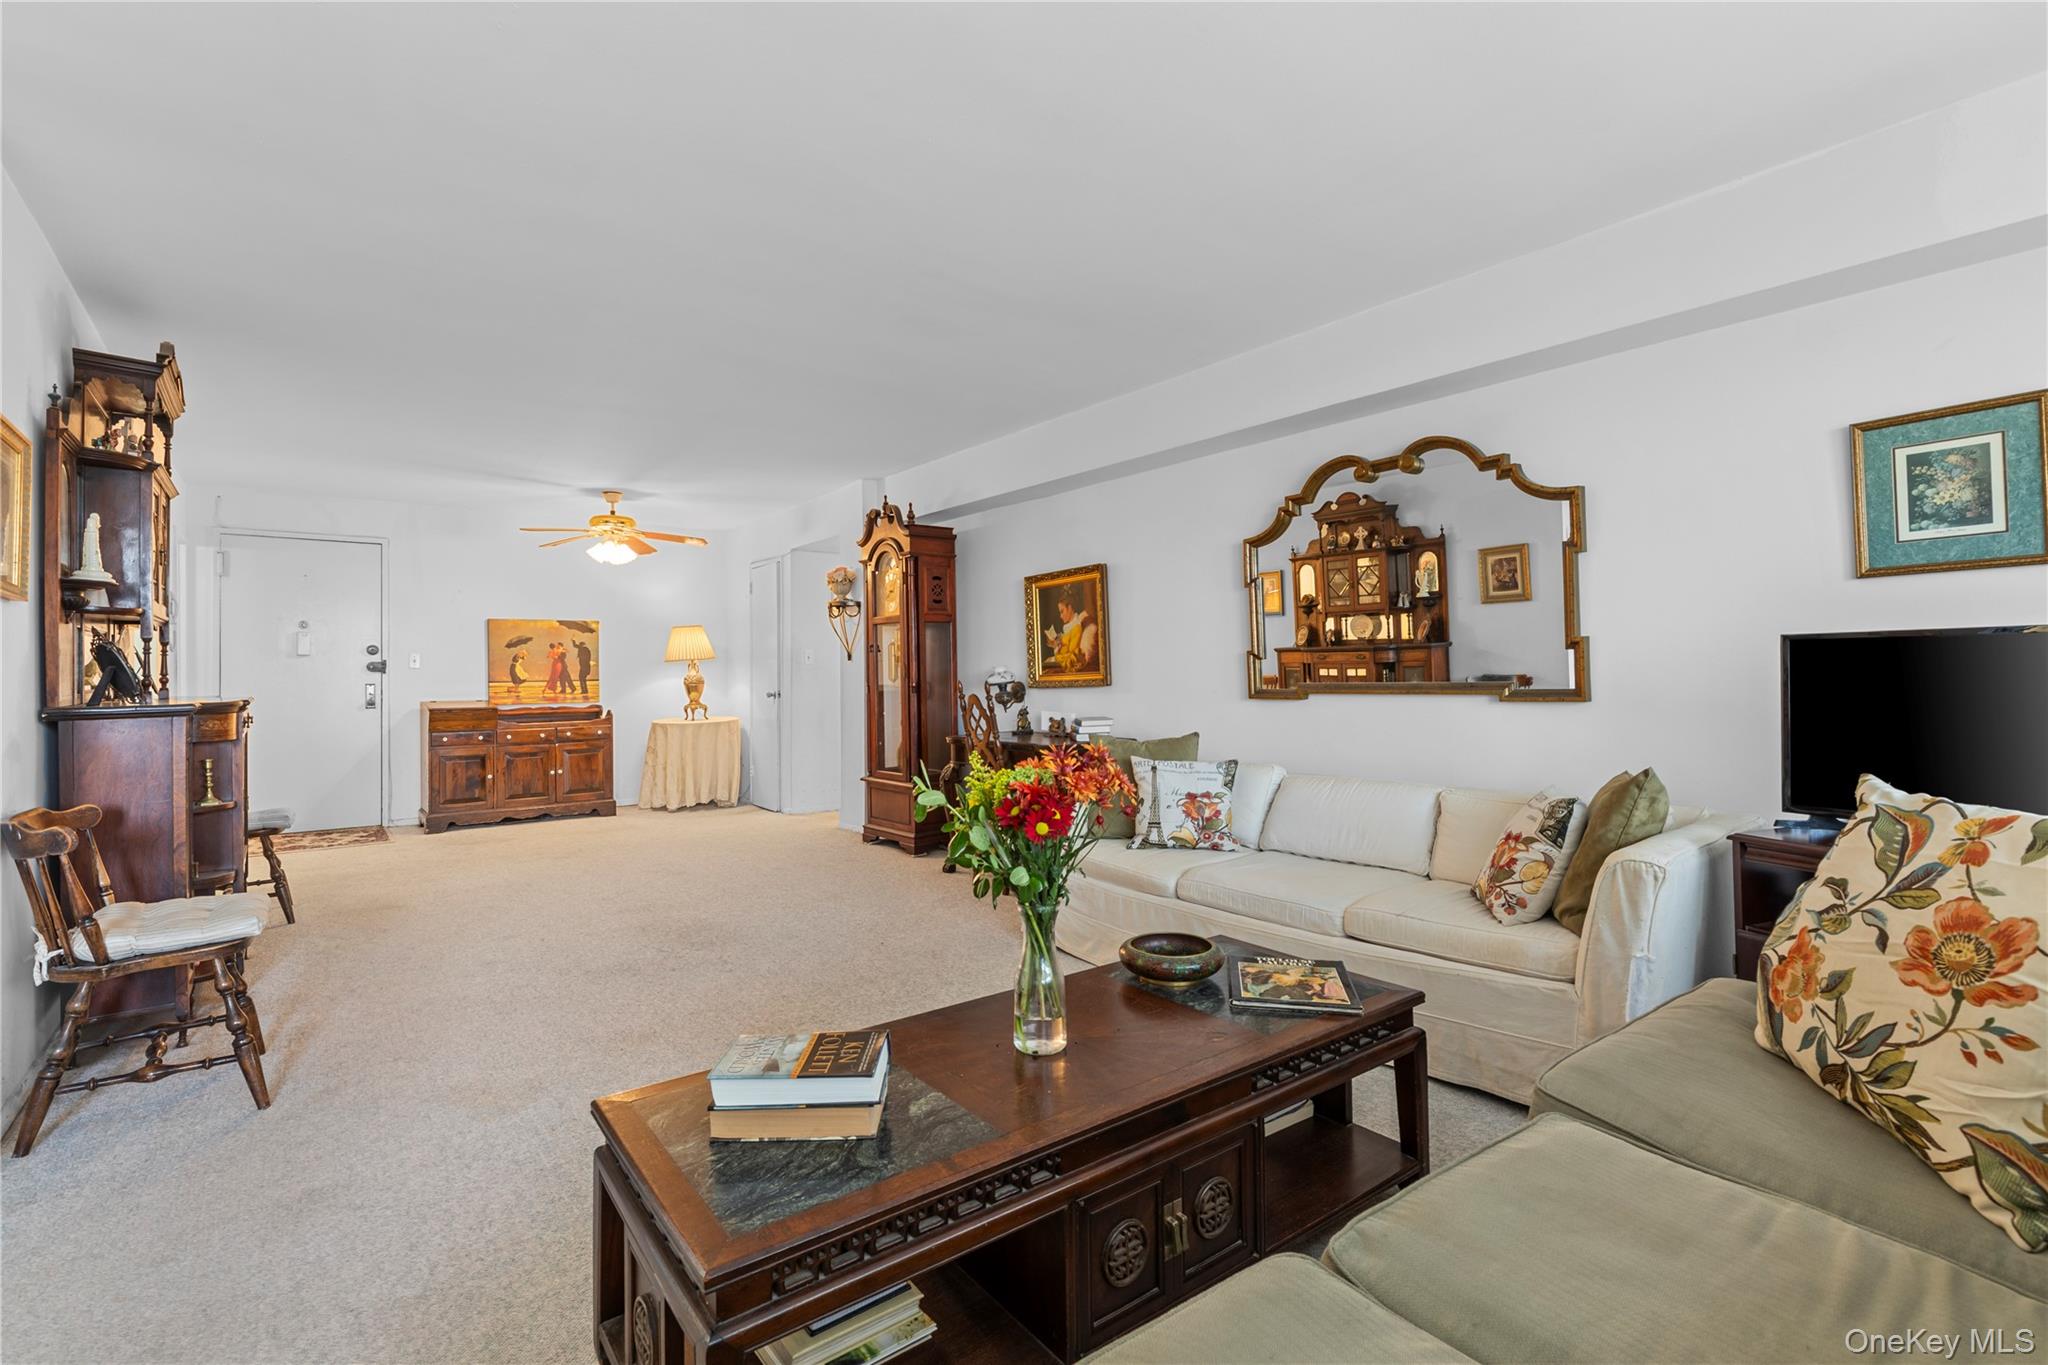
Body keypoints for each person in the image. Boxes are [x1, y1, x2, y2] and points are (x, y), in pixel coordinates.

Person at [1041, 586, 1099, 673]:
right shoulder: (1069, 628)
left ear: (1070, 608)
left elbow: (1072, 656)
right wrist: (1056, 645)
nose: (1060, 616)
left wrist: (1056, 655)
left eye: (1062, 611)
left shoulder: (1076, 628)